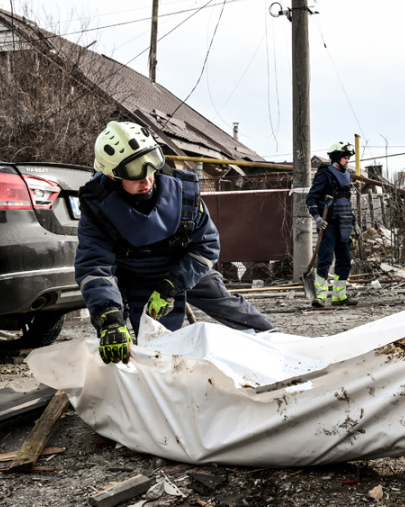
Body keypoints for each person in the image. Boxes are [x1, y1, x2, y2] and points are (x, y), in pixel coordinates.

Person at [75, 121, 273, 364]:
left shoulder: (183, 192)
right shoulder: (97, 206)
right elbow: (95, 267)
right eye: (135, 172)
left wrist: (173, 285)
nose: (147, 180)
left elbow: (206, 246)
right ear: (112, 175)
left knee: (222, 300)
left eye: (150, 166)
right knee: (144, 344)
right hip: (131, 273)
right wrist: (109, 317)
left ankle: (275, 341)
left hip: (181, 266)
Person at [306, 141, 358, 308]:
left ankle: (339, 296)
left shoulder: (347, 175)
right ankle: (320, 296)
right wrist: (317, 217)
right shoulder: (324, 175)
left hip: (344, 224)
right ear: (336, 157)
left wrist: (354, 222)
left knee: (345, 260)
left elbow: (346, 201)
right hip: (327, 225)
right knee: (325, 259)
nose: (347, 160)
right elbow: (311, 198)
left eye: (348, 158)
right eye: (345, 157)